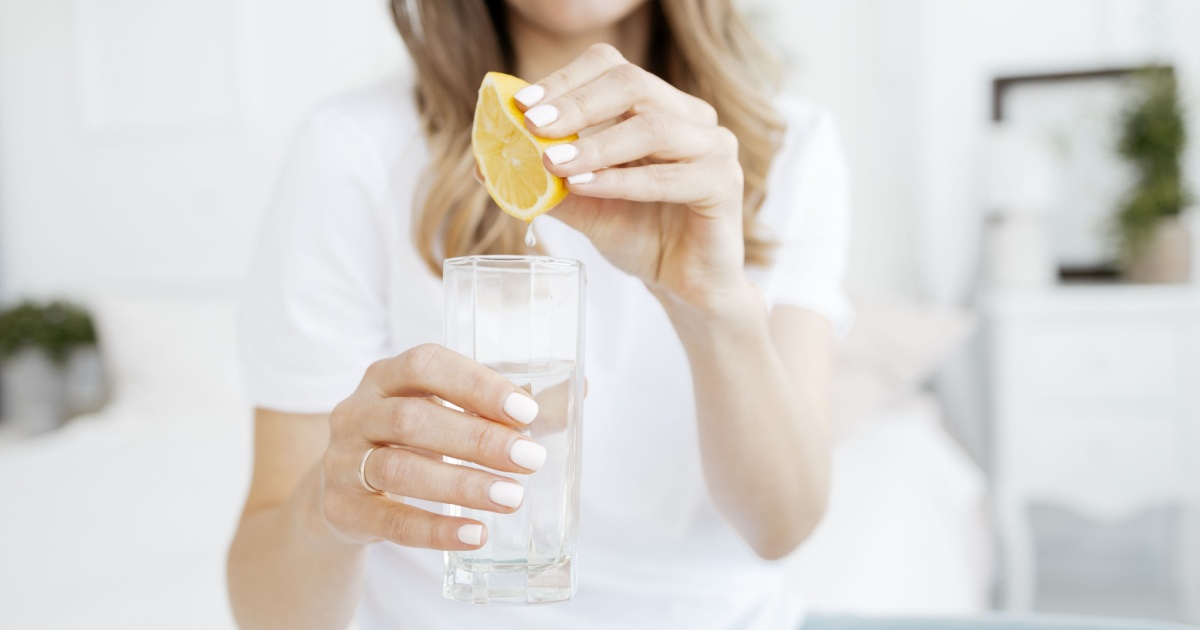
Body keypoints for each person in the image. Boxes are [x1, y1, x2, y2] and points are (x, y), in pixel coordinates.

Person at [228, 1, 851, 628]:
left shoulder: (787, 148)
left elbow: (782, 528)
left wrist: (712, 306)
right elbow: (267, 614)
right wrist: (329, 507)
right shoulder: (352, 148)